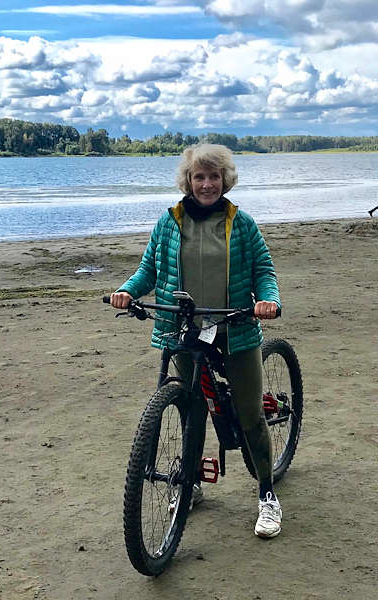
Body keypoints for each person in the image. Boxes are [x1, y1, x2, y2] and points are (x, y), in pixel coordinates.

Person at [110, 144, 283, 538]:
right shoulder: (169, 223)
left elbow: (263, 270)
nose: (206, 184)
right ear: (188, 180)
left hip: (234, 329)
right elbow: (147, 272)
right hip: (183, 331)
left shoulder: (242, 224)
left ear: (225, 180)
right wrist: (126, 291)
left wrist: (268, 300)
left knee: (250, 414)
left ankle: (266, 494)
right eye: (199, 177)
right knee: (192, 412)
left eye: (214, 177)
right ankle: (190, 485)